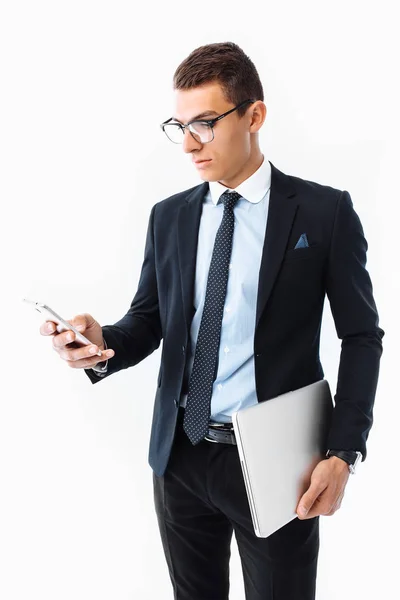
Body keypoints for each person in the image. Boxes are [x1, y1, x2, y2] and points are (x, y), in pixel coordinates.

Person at [40, 41, 384, 600]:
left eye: (205, 122)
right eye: (179, 126)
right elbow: (149, 322)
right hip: (179, 456)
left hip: (277, 462)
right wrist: (100, 342)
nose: (190, 143)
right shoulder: (170, 216)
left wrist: (344, 452)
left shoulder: (323, 212)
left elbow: (362, 337)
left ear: (255, 116)